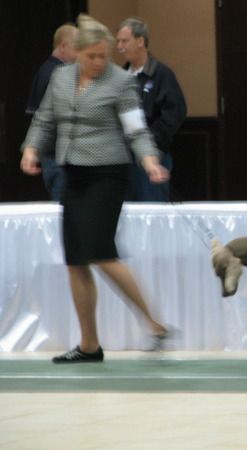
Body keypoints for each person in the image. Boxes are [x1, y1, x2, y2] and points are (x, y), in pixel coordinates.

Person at [20, 14, 170, 363]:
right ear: (76, 52)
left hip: (107, 174)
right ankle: (89, 344)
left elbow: (136, 129)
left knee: (100, 252)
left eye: (104, 55)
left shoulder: (121, 82)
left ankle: (154, 324)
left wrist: (149, 161)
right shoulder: (60, 78)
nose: (100, 62)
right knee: (75, 260)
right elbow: (44, 119)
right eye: (92, 56)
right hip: (72, 174)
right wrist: (30, 149)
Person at [116, 17, 187, 202]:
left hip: (153, 156)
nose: (120, 47)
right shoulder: (120, 77)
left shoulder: (161, 74)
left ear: (140, 41)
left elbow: (175, 112)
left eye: (125, 41)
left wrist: (151, 140)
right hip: (123, 158)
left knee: (151, 207)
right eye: (118, 42)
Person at [25, 23, 78, 201]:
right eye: (76, 46)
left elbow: (34, 115)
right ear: (63, 45)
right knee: (66, 211)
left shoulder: (43, 71)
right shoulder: (59, 74)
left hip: (50, 157)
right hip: (61, 158)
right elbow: (49, 119)